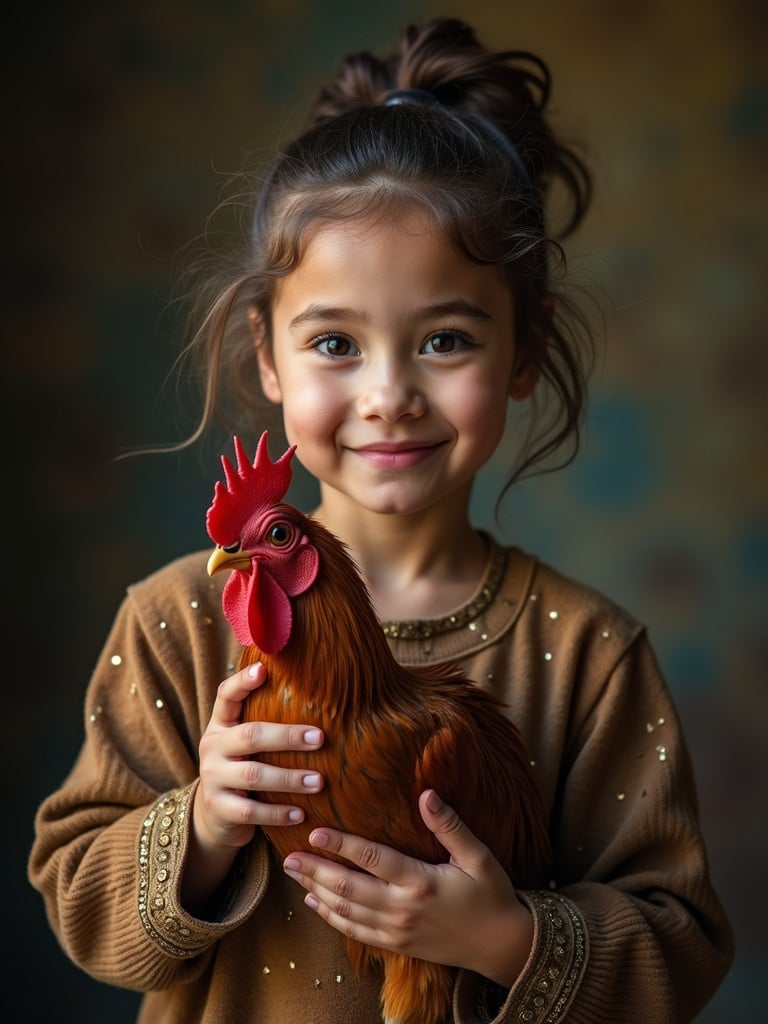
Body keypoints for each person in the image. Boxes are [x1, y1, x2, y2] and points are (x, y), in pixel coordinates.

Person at [29, 16, 733, 1024]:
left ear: (524, 351)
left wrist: (504, 937)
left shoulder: (586, 654)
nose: (390, 393)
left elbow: (682, 943)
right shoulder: (178, 623)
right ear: (266, 354)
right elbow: (73, 890)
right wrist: (206, 823)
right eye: (334, 344)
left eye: (445, 337)